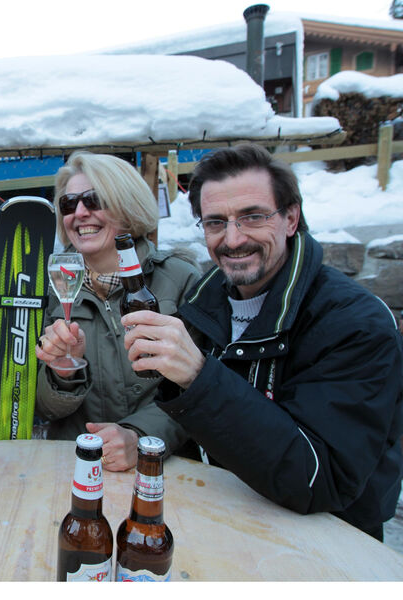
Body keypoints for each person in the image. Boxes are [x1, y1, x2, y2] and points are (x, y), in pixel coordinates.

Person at [122, 143, 403, 540]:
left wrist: (200, 377)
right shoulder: (208, 298)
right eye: (215, 222)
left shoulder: (354, 323)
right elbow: (195, 421)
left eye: (252, 217)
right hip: (226, 520)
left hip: (327, 547)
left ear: (291, 218)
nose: (233, 239)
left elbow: (320, 479)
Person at [34, 151, 200, 471]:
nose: (79, 213)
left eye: (94, 200)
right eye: (69, 204)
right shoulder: (48, 290)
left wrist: (140, 436)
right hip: (77, 468)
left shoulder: (181, 280)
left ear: (127, 206)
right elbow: (41, 407)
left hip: (165, 469)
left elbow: (202, 388)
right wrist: (65, 372)